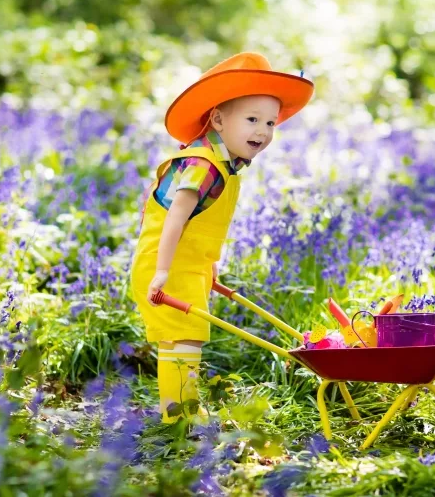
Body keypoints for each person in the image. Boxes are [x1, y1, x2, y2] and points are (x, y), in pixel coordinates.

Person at [130, 52, 314, 423]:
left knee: (188, 337)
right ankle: (178, 417)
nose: (262, 131)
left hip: (189, 266)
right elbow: (175, 219)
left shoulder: (226, 167)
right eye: (251, 119)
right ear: (217, 119)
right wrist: (162, 271)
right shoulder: (201, 165)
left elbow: (202, 224)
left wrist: (209, 265)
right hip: (166, 264)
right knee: (184, 337)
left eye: (270, 122)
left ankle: (182, 410)